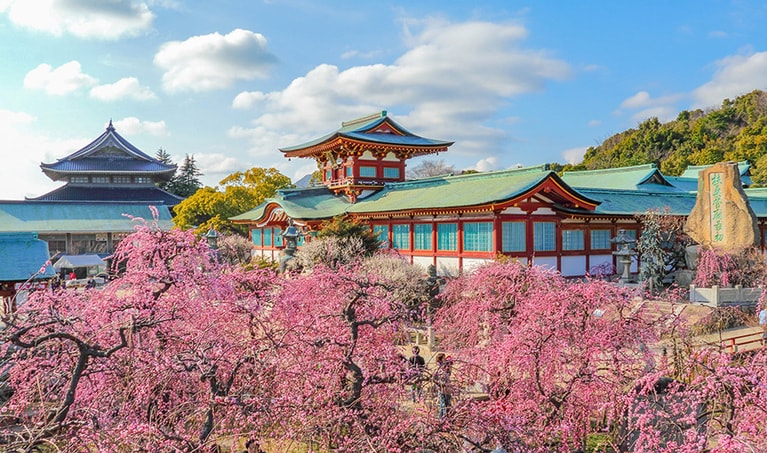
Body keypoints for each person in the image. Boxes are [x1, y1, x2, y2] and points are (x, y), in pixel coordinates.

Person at [434, 352, 453, 419]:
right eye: (444, 358)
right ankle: (440, 420)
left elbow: (449, 373)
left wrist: (449, 366)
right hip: (441, 389)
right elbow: (434, 378)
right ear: (441, 359)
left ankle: (448, 420)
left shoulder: (446, 367)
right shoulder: (438, 368)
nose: (445, 359)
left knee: (448, 405)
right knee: (442, 406)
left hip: (447, 389)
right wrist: (439, 384)